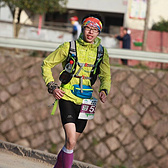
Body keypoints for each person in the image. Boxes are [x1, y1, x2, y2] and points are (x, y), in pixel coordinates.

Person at [41, 13, 111, 168]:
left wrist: (104, 90)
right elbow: (46, 64)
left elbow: (106, 76)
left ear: (99, 32)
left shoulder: (102, 53)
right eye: (88, 28)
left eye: (95, 29)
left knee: (70, 143)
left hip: (88, 100)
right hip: (67, 96)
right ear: (82, 28)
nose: (91, 32)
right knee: (71, 140)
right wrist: (52, 86)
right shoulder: (69, 47)